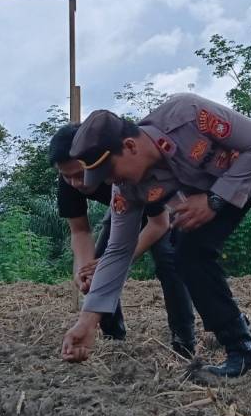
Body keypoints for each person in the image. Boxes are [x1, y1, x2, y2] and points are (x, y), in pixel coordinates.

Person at [59, 94, 251, 377]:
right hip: (211, 191)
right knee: (188, 255)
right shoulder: (127, 188)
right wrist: (87, 321)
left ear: (130, 146)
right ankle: (240, 350)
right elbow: (118, 251)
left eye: (110, 172)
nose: (111, 183)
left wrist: (215, 200)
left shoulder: (188, 115)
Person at [49, 124, 196, 358]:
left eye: (79, 174)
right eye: (67, 177)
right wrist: (85, 272)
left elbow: (159, 224)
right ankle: (113, 338)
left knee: (169, 262)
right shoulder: (69, 180)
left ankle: (184, 342)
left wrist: (114, 262)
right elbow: (79, 232)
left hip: (161, 210)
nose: (76, 183)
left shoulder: (132, 168)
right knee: (98, 270)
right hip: (120, 214)